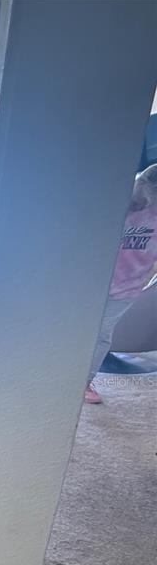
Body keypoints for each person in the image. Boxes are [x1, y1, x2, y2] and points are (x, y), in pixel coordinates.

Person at [85, 164, 157, 403]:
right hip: (95, 280)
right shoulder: (122, 205)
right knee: (78, 329)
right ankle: (61, 373)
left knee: (101, 334)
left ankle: (83, 382)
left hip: (127, 288)